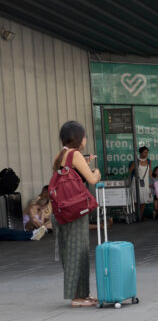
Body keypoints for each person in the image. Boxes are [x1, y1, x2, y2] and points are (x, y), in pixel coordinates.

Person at [52, 121, 102, 306]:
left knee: (71, 251)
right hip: (75, 210)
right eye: (84, 136)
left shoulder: (60, 155)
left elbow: (64, 177)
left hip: (62, 210)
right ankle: (78, 297)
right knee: (78, 251)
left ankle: (81, 294)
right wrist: (96, 171)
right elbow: (92, 180)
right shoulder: (75, 154)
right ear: (78, 138)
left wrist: (83, 165)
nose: (85, 139)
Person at [128, 146, 151, 221]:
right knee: (136, 199)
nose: (146, 154)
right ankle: (135, 215)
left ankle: (140, 216)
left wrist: (154, 181)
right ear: (141, 153)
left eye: (147, 152)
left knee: (144, 199)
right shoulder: (136, 161)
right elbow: (130, 171)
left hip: (145, 182)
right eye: (144, 152)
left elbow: (150, 172)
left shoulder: (148, 161)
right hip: (137, 181)